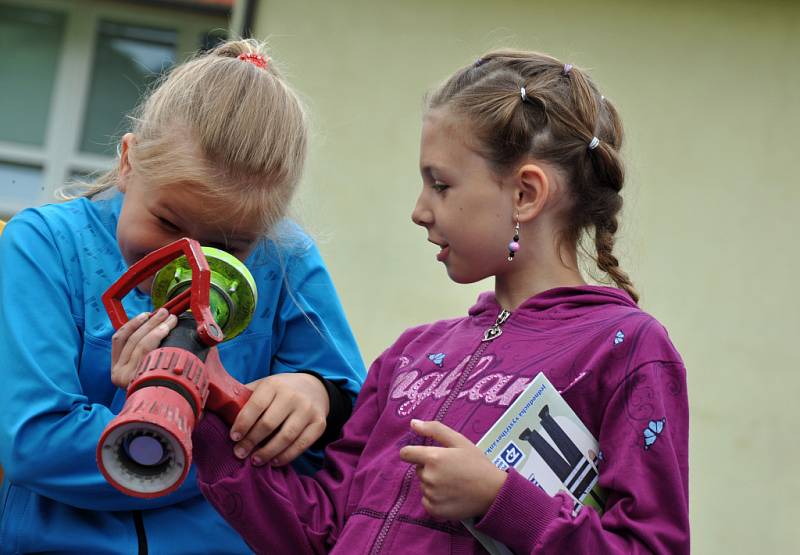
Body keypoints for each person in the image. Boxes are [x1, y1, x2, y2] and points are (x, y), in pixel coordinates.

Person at [191, 50, 689, 554]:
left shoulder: (623, 348)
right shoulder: (409, 356)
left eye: (441, 184)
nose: (418, 211)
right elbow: (322, 531)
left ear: (526, 194)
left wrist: (501, 501)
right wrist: (204, 412)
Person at [0, 39, 366, 554]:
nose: (186, 264)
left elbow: (354, 431)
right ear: (128, 161)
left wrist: (316, 398)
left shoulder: (285, 259)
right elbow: (35, 443)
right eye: (168, 222)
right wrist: (234, 451)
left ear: (264, 230)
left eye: (227, 249)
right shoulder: (46, 245)